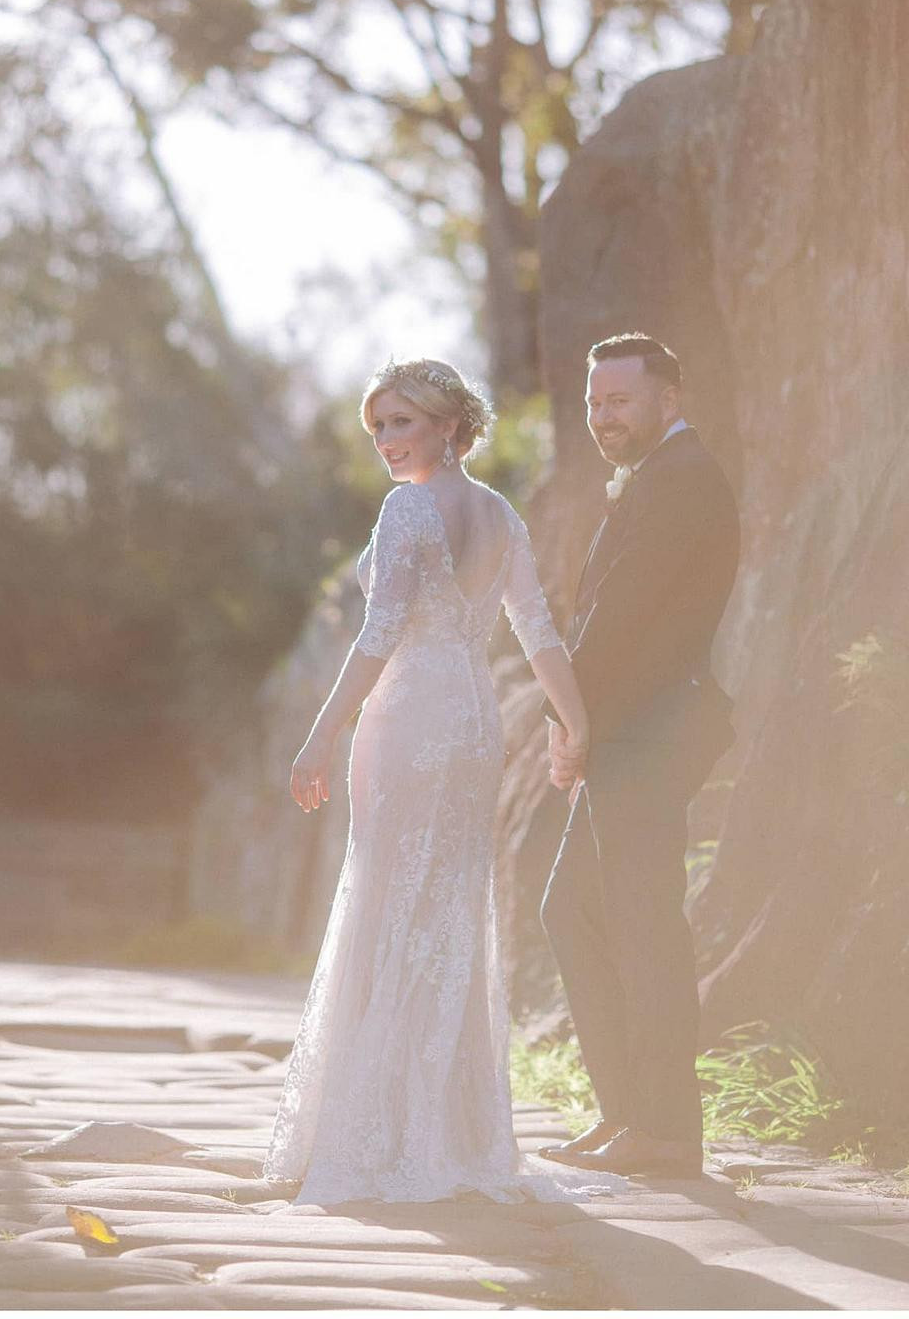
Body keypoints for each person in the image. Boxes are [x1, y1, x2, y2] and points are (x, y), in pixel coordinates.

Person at [262, 357, 624, 1207]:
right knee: (448, 911)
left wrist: (319, 736)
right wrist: (576, 721)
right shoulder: (501, 515)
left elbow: (379, 633)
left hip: (408, 721)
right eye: (379, 427)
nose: (389, 442)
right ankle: (449, 1130)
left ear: (450, 424)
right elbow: (537, 629)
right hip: (473, 729)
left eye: (403, 423)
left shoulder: (408, 508)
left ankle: (378, 1133)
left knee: (390, 902)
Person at [538, 333, 740, 1179]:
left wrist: (569, 718)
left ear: (670, 399)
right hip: (629, 728)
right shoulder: (654, 480)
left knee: (643, 922)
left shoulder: (683, 481)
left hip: (652, 729)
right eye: (593, 402)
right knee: (573, 911)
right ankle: (628, 1115)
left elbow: (618, 619)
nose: (603, 417)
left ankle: (665, 1131)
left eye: (619, 399)